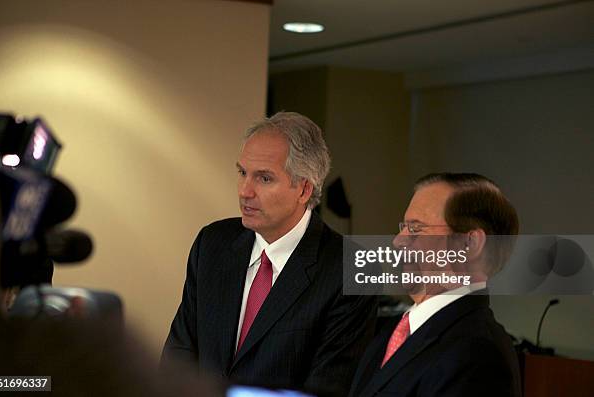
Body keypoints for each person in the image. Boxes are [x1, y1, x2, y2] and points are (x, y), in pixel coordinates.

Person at [161, 112, 377, 396]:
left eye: (264, 178)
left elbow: (327, 389)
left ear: (303, 189)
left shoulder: (353, 268)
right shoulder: (212, 243)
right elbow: (178, 358)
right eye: (242, 173)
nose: (244, 191)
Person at [349, 173, 521, 397]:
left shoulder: (478, 353)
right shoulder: (390, 331)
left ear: (470, 244)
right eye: (403, 227)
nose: (397, 241)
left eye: (416, 229)